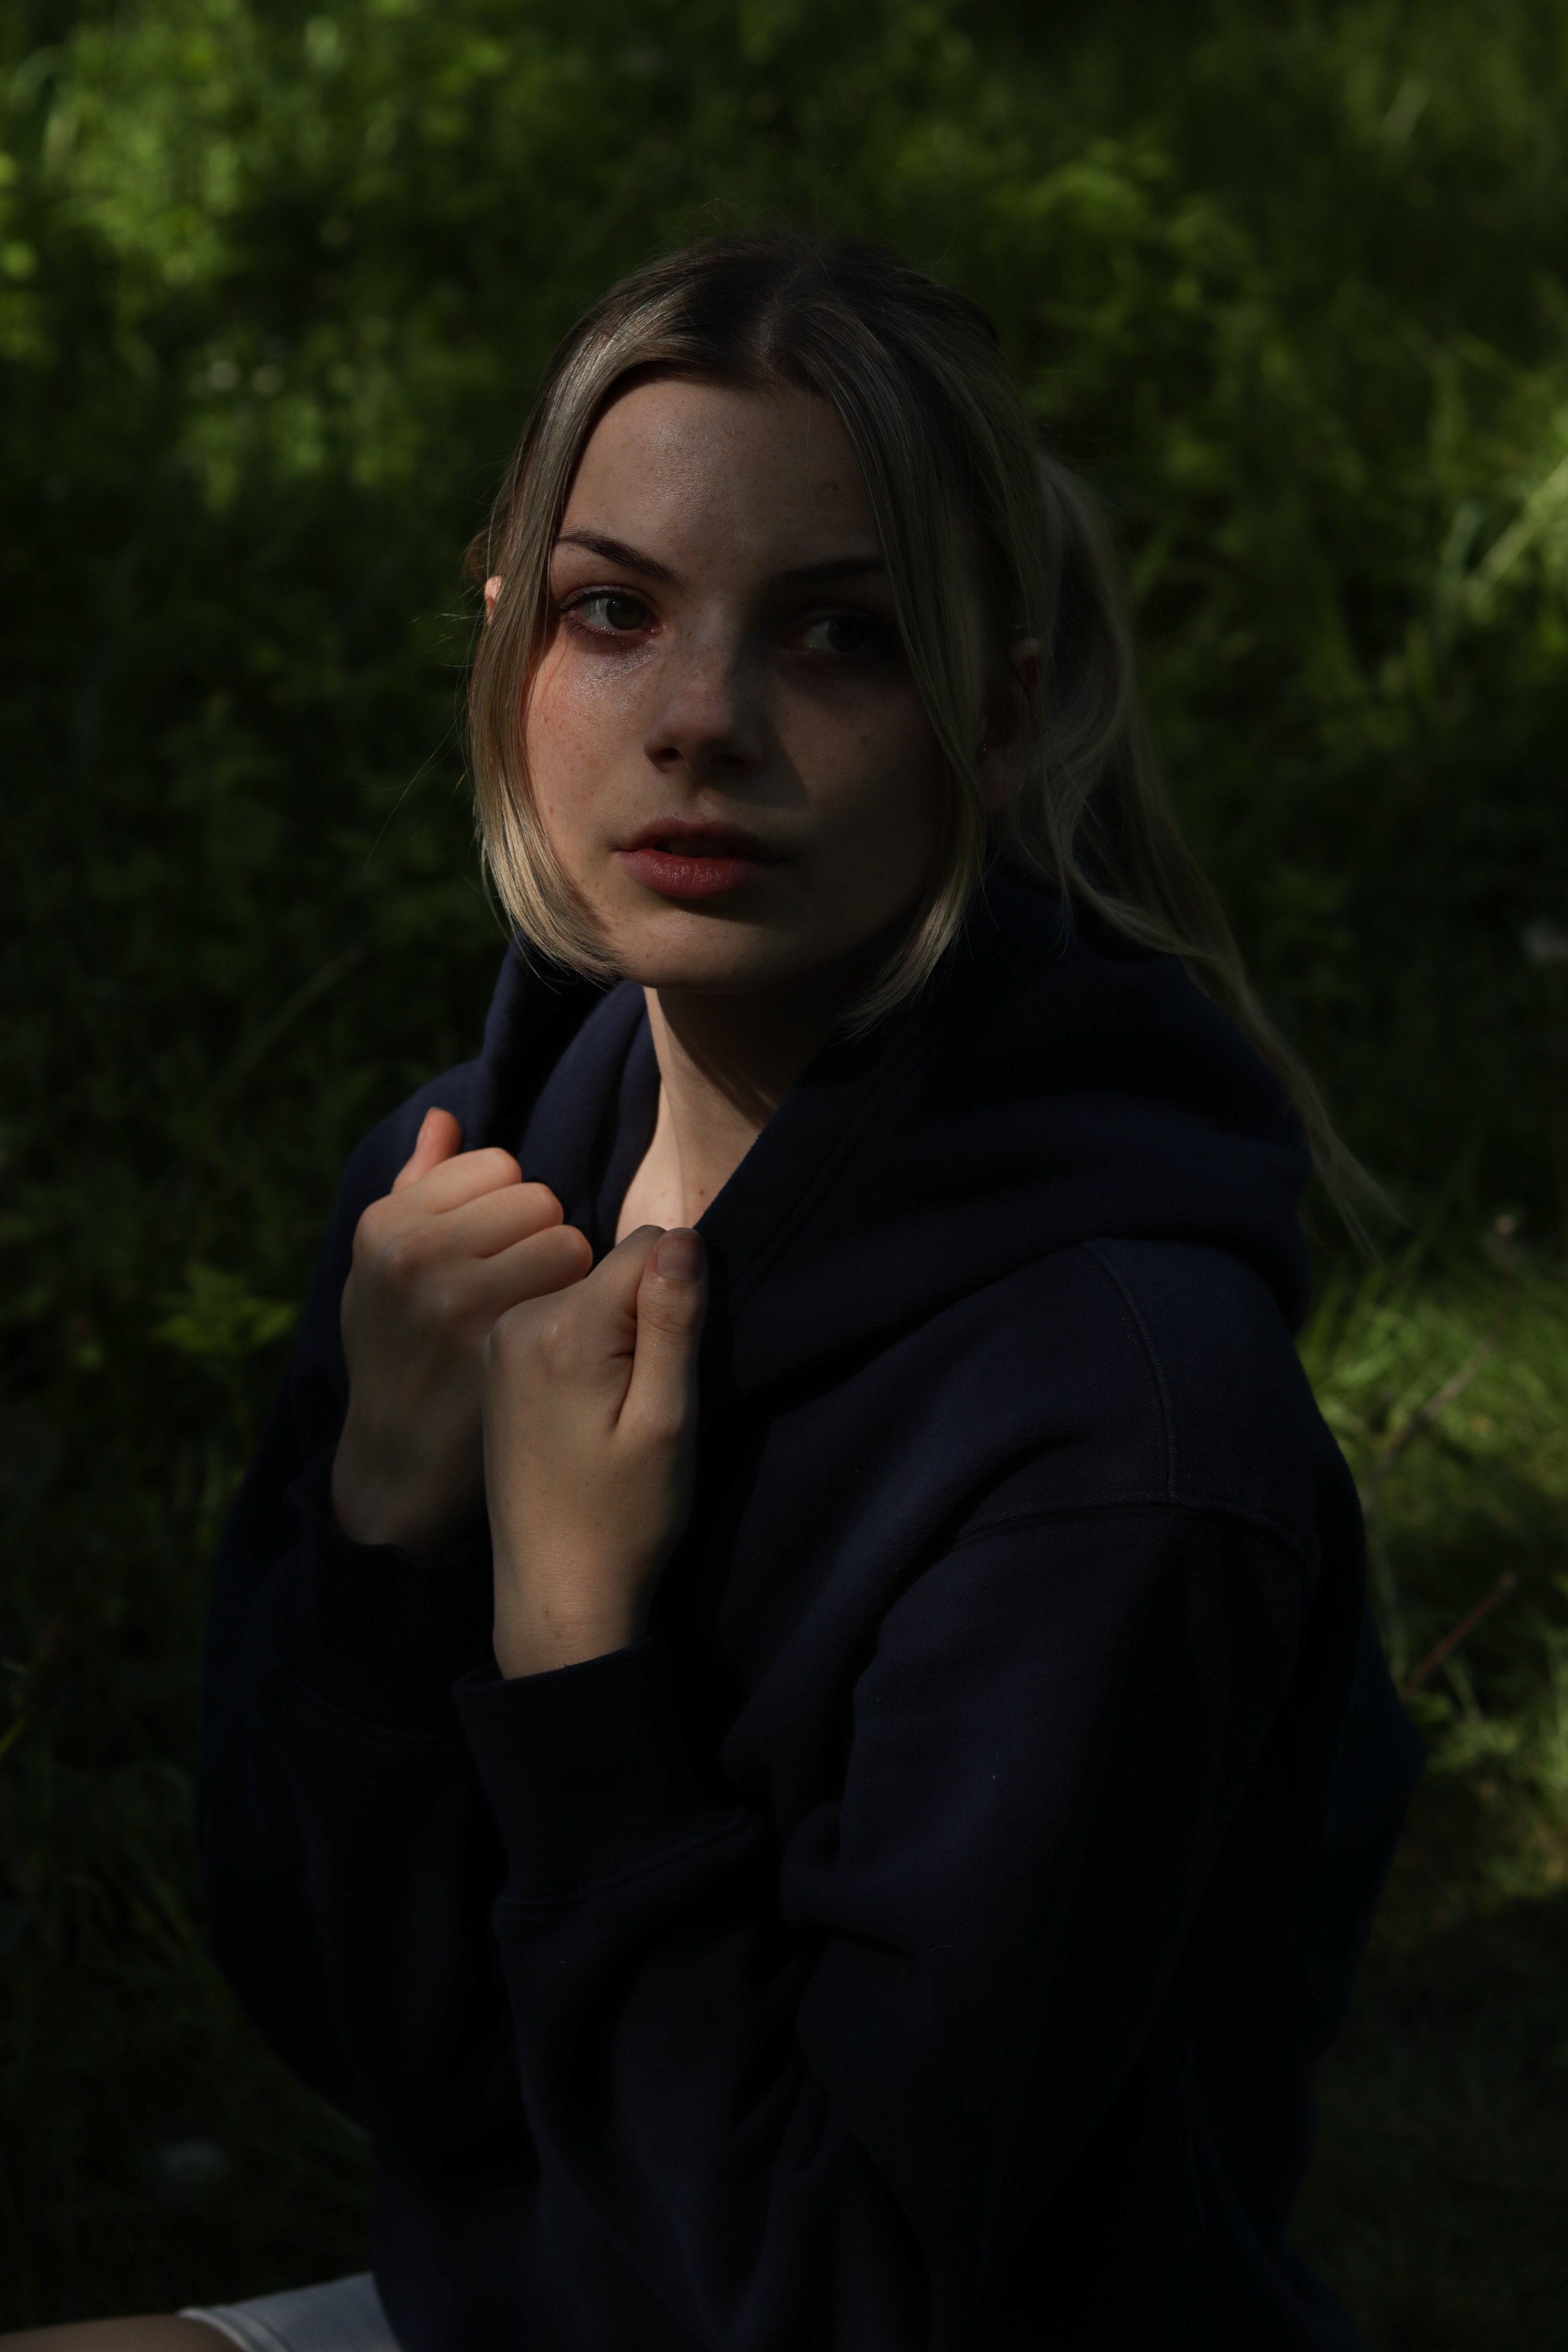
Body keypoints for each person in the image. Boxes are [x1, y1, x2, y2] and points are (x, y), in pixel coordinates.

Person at [3, 231, 1423, 2352]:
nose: (700, 723)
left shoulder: (1116, 1437)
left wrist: (573, 1660)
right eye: (613, 612)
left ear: (997, 715)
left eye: (838, 639)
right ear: (507, 648)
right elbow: (369, 2033)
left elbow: (838, 2293)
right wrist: (382, 1531)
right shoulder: (472, 1202)